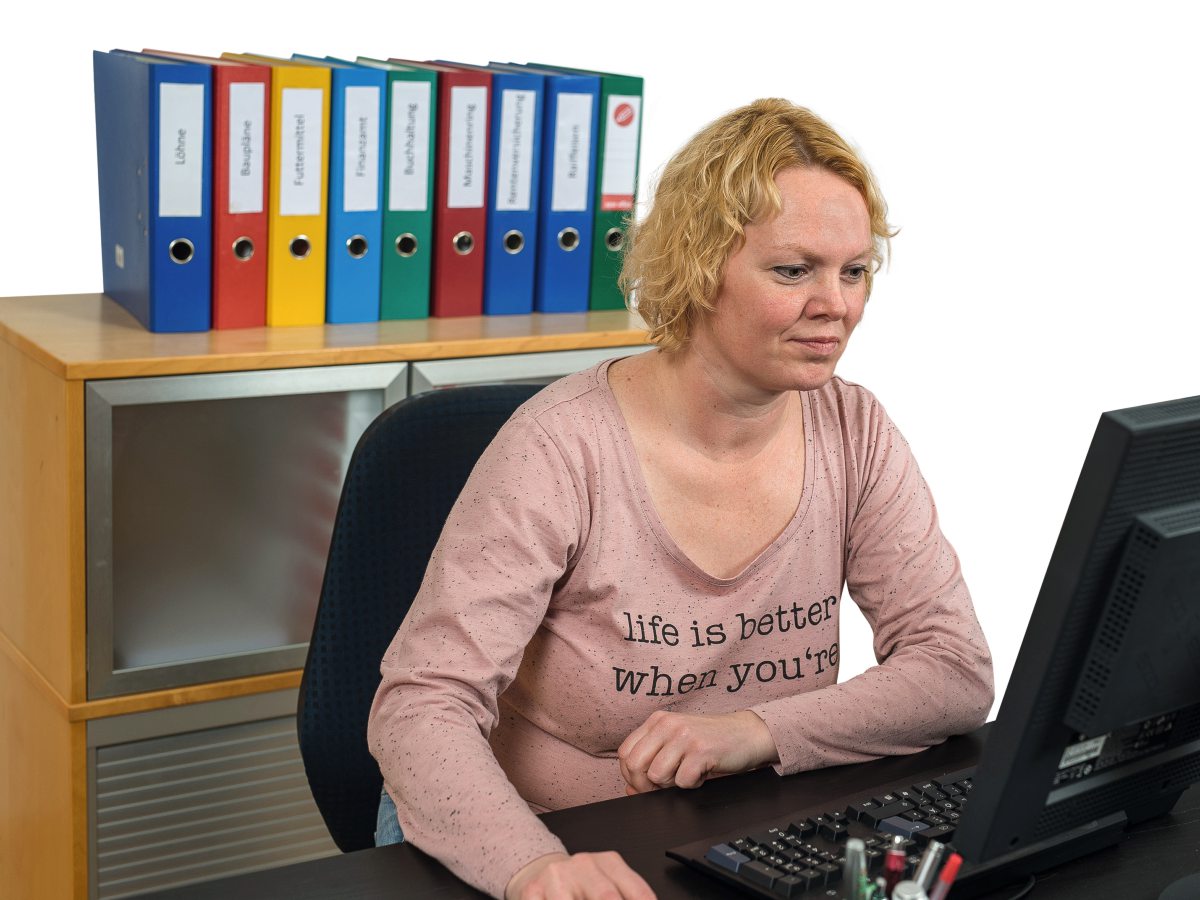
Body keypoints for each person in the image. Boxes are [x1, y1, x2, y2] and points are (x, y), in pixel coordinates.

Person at [367, 98, 994, 900]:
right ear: (700, 269)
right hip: (539, 830)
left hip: (728, 829)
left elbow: (953, 670)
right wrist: (535, 871)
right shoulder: (559, 447)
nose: (835, 304)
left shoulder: (855, 428)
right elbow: (421, 705)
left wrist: (756, 731)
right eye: (793, 270)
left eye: (854, 270)